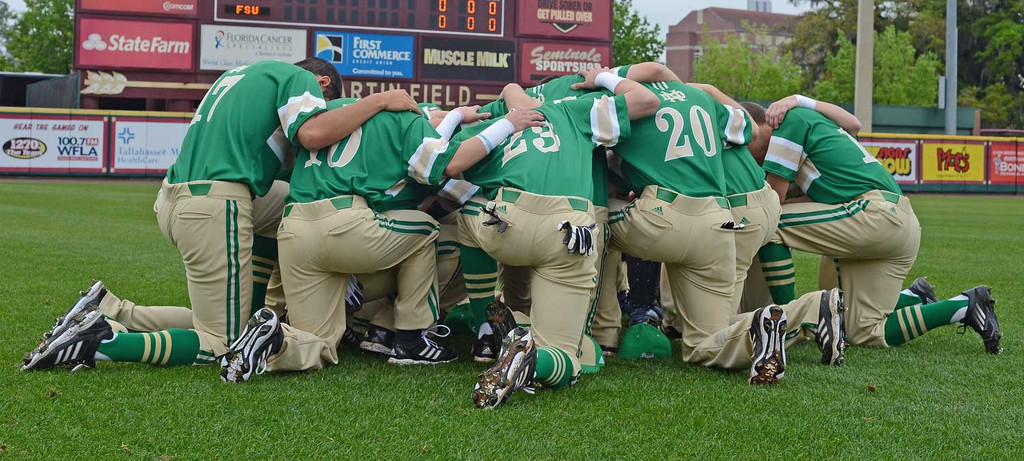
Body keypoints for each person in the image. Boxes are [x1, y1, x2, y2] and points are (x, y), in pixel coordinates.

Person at [22, 58, 422, 371]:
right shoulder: (300, 80)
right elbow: (313, 134)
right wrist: (379, 100)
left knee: (289, 207)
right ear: (322, 85)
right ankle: (104, 340)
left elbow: (278, 161)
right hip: (215, 204)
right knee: (218, 341)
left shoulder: (246, 76)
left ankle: (107, 308)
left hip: (175, 197)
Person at [218, 99, 544, 382]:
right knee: (427, 230)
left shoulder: (332, 113)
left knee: (319, 344)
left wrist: (456, 117)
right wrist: (504, 124)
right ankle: (412, 340)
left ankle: (277, 339)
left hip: (294, 228)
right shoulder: (408, 122)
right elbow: (444, 161)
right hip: (345, 223)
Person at [602, 63, 847, 384]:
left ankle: (603, 334)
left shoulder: (631, 105)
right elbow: (752, 129)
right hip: (754, 203)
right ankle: (811, 309)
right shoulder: (696, 99)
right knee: (711, 322)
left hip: (725, 210)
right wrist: (707, 90)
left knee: (598, 219)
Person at [459, 68, 660, 408]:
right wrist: (604, 78)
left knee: (466, 215)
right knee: (570, 359)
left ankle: (487, 329)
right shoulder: (572, 109)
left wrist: (501, 99)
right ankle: (535, 358)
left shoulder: (502, 118)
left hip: (507, 220)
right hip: (570, 230)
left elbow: (445, 169)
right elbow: (646, 99)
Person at [747, 94, 1002, 353]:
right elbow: (853, 125)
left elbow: (773, 201)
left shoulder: (787, 122)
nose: (747, 159)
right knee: (863, 331)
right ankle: (957, 304)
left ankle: (787, 324)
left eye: (742, 147)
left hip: (874, 214)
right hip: (897, 223)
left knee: (771, 223)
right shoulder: (813, 126)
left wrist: (797, 101)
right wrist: (802, 100)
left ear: (752, 127)